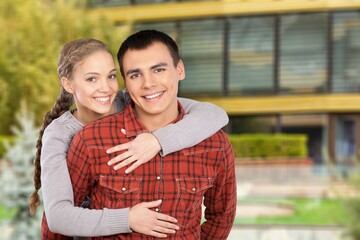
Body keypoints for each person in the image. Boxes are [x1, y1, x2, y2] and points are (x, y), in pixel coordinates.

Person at [28, 38, 229, 239]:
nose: (105, 88)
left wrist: (158, 140)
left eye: (111, 76)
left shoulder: (130, 101)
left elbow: (215, 114)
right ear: (68, 84)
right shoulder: (60, 134)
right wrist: (128, 219)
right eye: (92, 79)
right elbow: (57, 217)